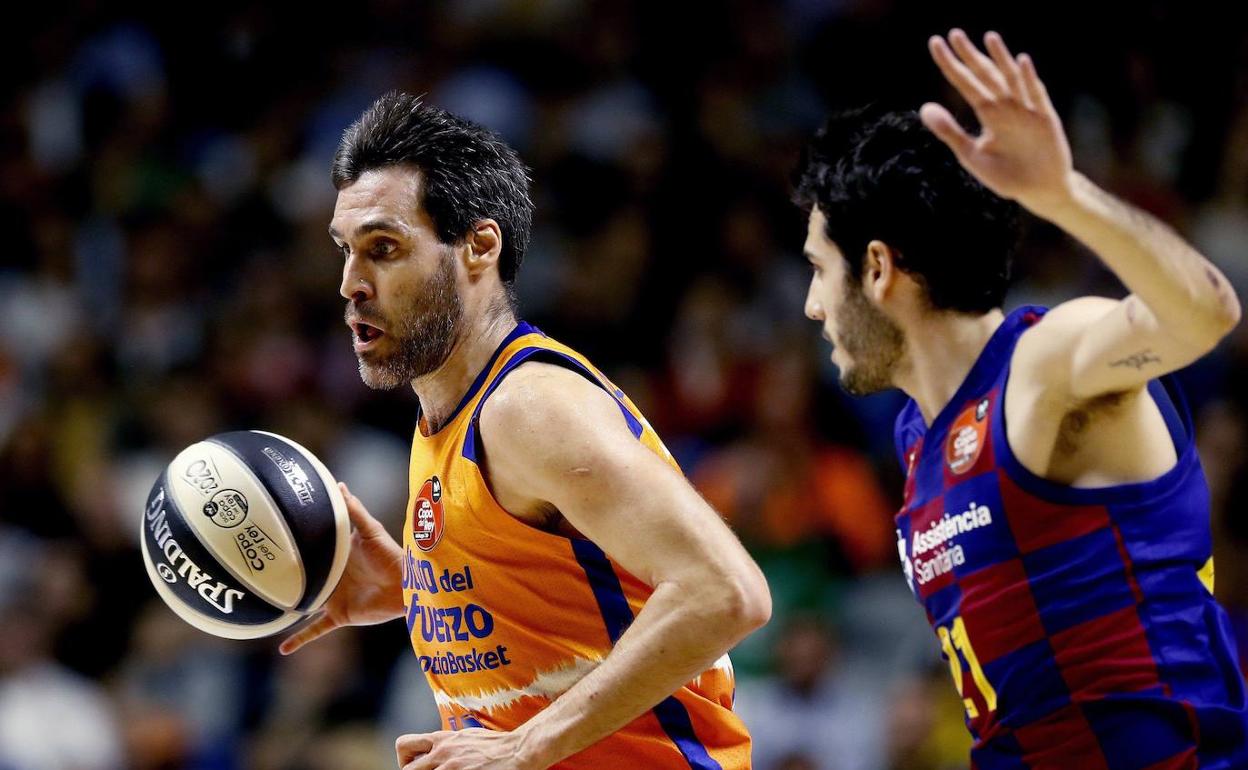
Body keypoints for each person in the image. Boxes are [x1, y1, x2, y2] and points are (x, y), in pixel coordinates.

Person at [794, 28, 1246, 768]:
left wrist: (1065, 196)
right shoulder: (915, 437)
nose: (813, 305)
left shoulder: (1043, 368)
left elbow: (1207, 313)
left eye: (819, 269)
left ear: (877, 268)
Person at [278, 92, 771, 770]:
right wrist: (419, 588)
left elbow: (726, 592)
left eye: (383, 249)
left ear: (479, 246)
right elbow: (580, 591)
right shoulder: (447, 414)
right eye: (345, 251)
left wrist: (525, 746)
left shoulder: (529, 408)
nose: (350, 284)